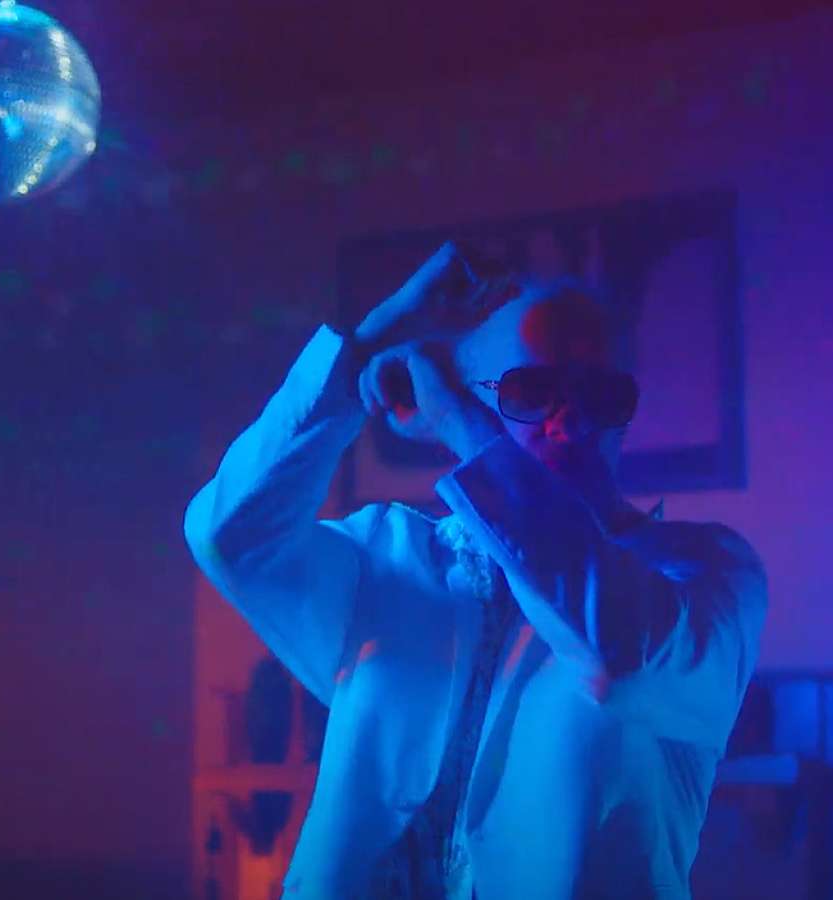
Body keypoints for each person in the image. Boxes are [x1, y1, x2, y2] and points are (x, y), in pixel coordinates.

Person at [185, 243, 767, 899]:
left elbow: (618, 655)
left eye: (602, 394)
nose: (572, 418)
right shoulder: (388, 560)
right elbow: (229, 535)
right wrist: (368, 346)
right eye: (533, 391)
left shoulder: (704, 574)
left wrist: (461, 422)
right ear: (466, 400)